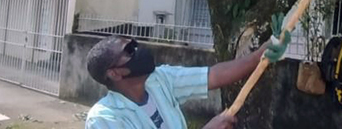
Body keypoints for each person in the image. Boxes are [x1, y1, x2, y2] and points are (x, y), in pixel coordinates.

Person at [85, 17, 291, 129]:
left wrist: (260, 56)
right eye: (129, 51)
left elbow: (213, 75)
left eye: (135, 44)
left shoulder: (159, 80)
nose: (138, 50)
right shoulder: (104, 119)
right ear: (114, 73)